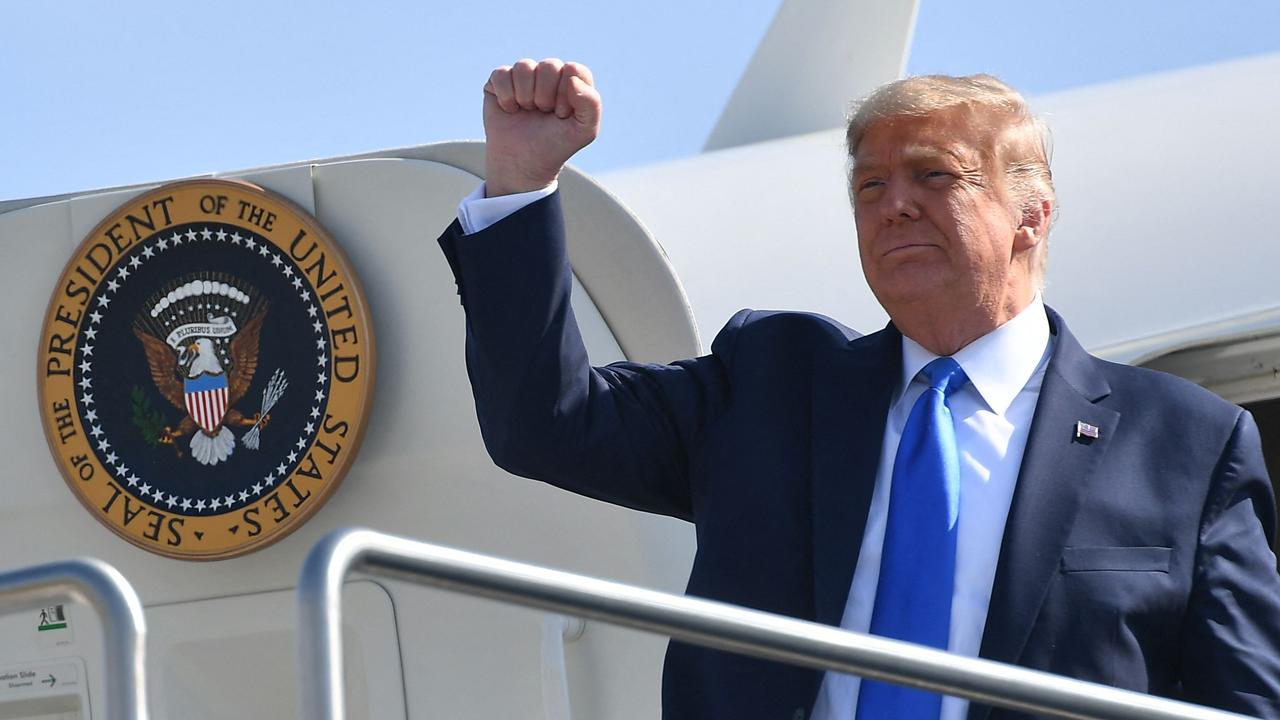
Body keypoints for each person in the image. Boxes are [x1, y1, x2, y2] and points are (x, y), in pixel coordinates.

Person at [436, 58, 1280, 719]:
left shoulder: (1187, 445)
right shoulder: (770, 383)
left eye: (935, 177)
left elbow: (1245, 700)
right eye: (871, 186)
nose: (893, 206)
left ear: (1033, 216)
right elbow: (545, 423)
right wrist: (520, 182)